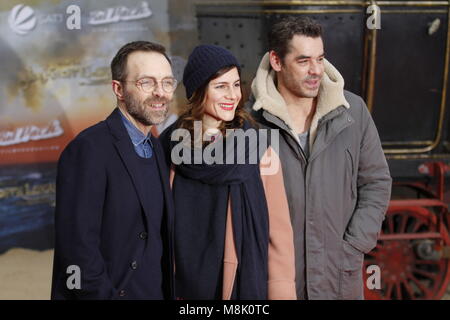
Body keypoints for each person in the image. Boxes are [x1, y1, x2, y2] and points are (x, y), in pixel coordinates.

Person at [247, 17, 392, 299]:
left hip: (338, 275)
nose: (316, 71)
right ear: (276, 61)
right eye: (303, 61)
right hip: (275, 278)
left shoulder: (354, 112)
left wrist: (354, 245)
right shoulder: (250, 122)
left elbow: (376, 181)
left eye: (320, 59)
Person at [160, 45, 296, 300]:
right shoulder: (168, 148)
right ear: (198, 91)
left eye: (235, 85)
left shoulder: (258, 150)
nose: (232, 95)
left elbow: (278, 237)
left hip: (238, 291)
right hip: (179, 290)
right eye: (221, 86)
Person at [51, 41, 176, 299]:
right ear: (118, 89)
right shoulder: (88, 149)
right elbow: (78, 253)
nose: (160, 92)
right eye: (146, 82)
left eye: (167, 82)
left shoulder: (158, 148)